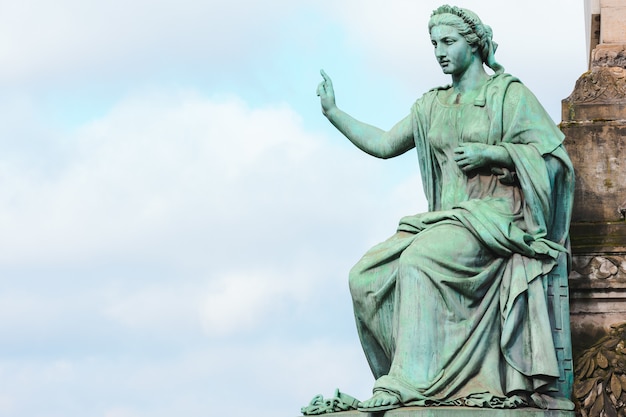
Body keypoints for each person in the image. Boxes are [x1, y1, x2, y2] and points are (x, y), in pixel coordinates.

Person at [316, 5, 575, 412]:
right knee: (364, 277)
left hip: (493, 220)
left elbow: (554, 161)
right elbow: (385, 144)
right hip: (444, 222)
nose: (439, 51)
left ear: (473, 46)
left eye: (449, 42)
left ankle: (408, 382)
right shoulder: (430, 105)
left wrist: (497, 154)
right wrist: (334, 114)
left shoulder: (508, 95)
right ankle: (410, 372)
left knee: (418, 261)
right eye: (434, 43)